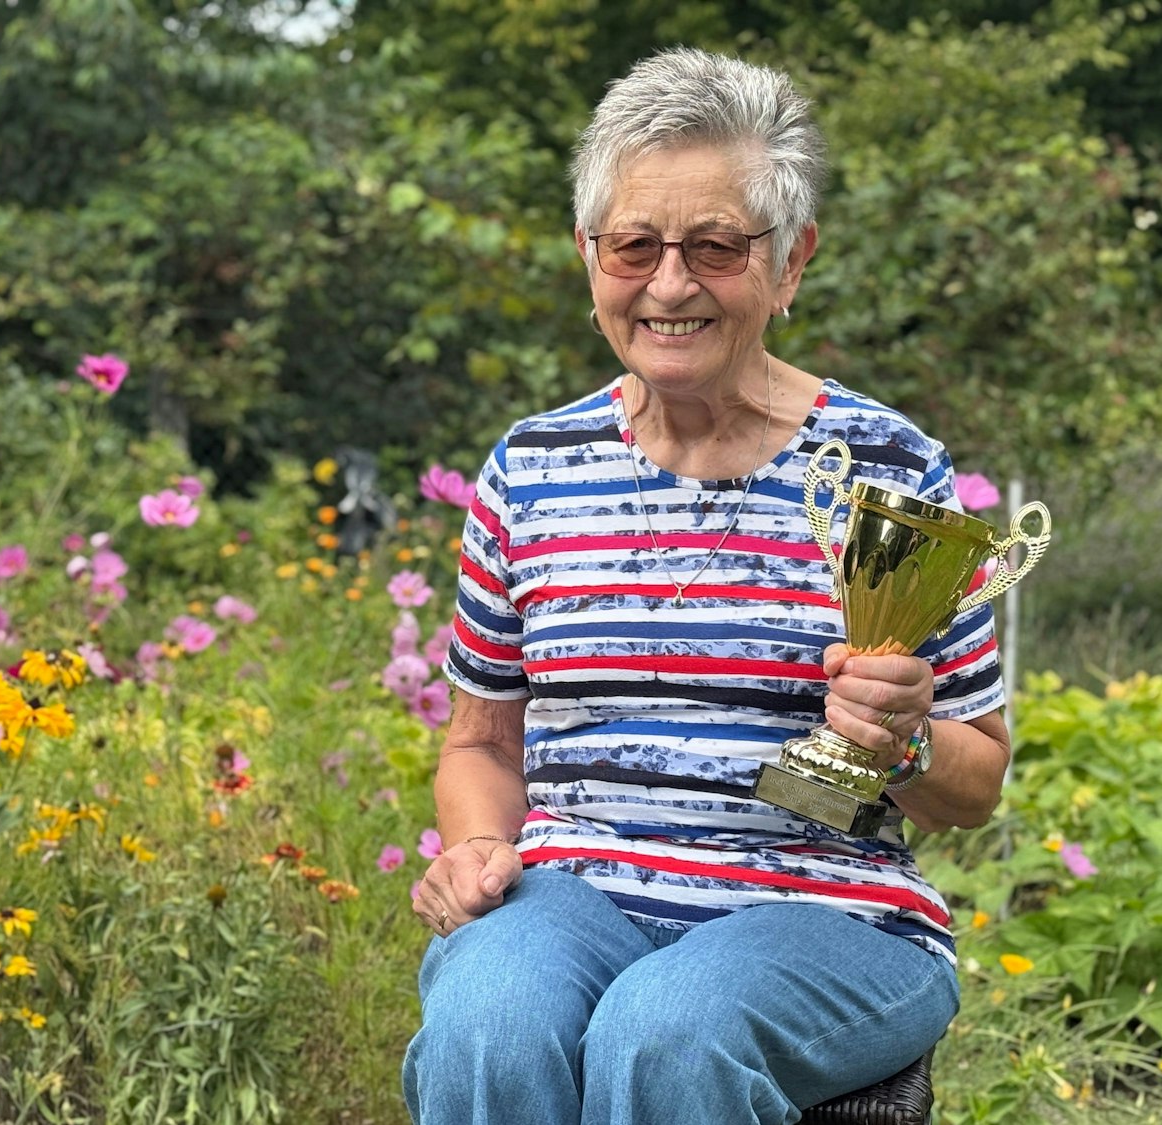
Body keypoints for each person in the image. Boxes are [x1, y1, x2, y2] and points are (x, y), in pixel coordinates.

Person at [403, 46, 1013, 1125]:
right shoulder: (531, 469)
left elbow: (973, 786)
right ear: (589, 255)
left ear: (790, 263)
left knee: (666, 1032)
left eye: (716, 248)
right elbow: (483, 742)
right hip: (575, 894)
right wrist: (477, 847)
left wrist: (899, 737)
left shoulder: (883, 470)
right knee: (486, 1020)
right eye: (633, 245)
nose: (669, 284)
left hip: (827, 914)